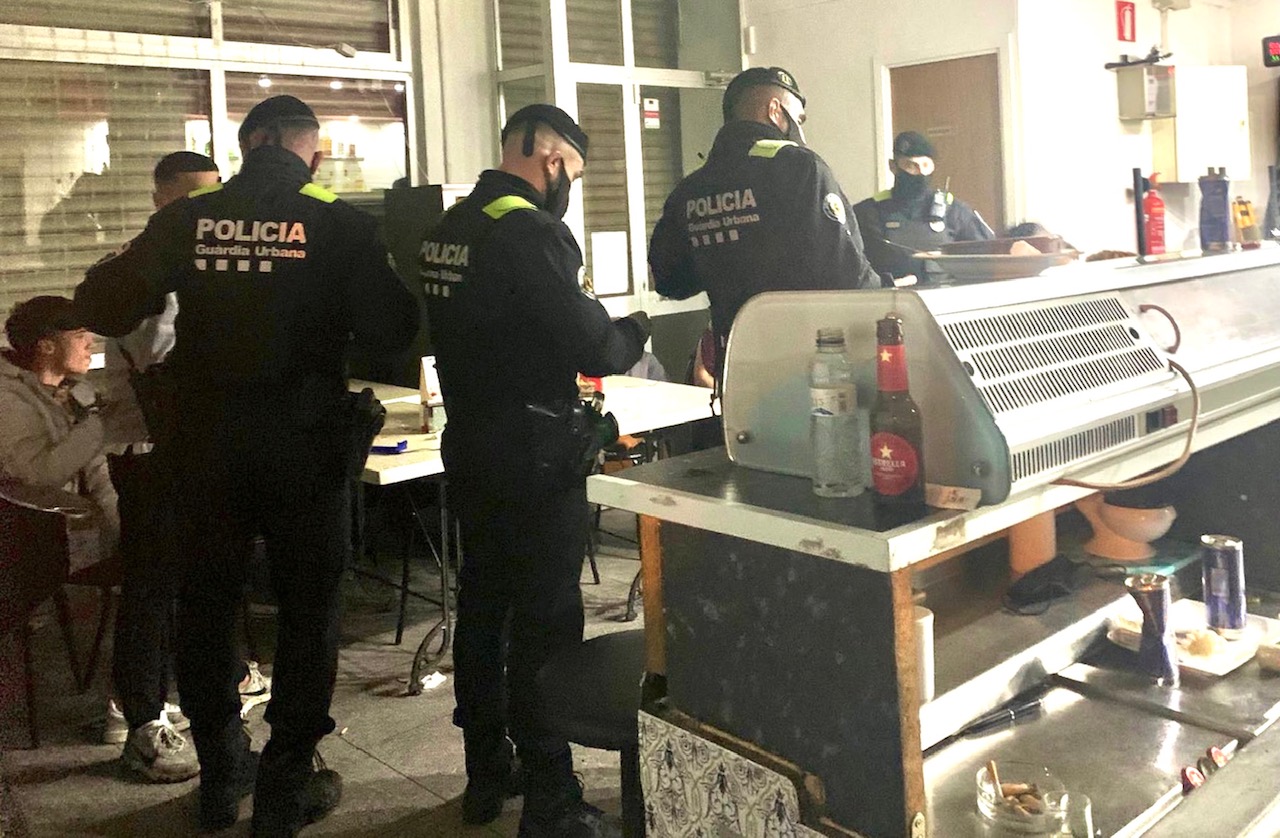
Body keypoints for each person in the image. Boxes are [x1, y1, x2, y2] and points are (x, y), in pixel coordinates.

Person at [74, 95, 419, 836]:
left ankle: (221, 774)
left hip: (206, 449)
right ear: (303, 151)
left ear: (248, 144)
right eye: (315, 152)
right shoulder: (338, 222)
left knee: (205, 605)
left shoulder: (190, 218)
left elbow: (101, 304)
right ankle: (285, 788)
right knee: (309, 613)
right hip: (305, 449)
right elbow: (394, 329)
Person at [420, 103, 649, 837]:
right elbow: (595, 347)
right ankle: (552, 794)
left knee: (484, 608)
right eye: (571, 173)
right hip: (536, 453)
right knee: (547, 619)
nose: (568, 187)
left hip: (472, 444)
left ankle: (487, 769)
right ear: (552, 162)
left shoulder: (451, 226)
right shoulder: (531, 231)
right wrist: (635, 328)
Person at [100, 152, 271, 758]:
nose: (206, 209)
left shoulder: (196, 262)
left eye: (213, 196)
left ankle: (225, 678)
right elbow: (162, 358)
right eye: (193, 197)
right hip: (150, 448)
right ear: (160, 201)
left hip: (191, 446)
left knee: (198, 575)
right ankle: (138, 715)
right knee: (152, 581)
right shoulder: (149, 269)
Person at [1, 297, 201, 783]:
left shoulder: (74, 392)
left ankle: (148, 698)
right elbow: (37, 475)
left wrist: (126, 524)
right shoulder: (9, 400)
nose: (92, 343)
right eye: (80, 336)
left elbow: (98, 472)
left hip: (84, 527)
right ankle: (134, 706)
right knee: (159, 576)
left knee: (172, 558)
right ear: (46, 346)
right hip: (36, 540)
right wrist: (100, 424)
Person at [648, 66, 878, 385]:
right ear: (774, 110)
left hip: (735, 367)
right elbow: (848, 274)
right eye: (798, 119)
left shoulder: (691, 188)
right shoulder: (799, 168)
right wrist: (892, 296)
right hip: (807, 365)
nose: (800, 130)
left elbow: (670, 280)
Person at [852, 130, 994, 282]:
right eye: (911, 165)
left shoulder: (955, 211)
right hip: (891, 294)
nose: (920, 172)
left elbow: (988, 255)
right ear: (893, 166)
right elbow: (851, 267)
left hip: (945, 293)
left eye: (926, 165)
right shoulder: (867, 213)